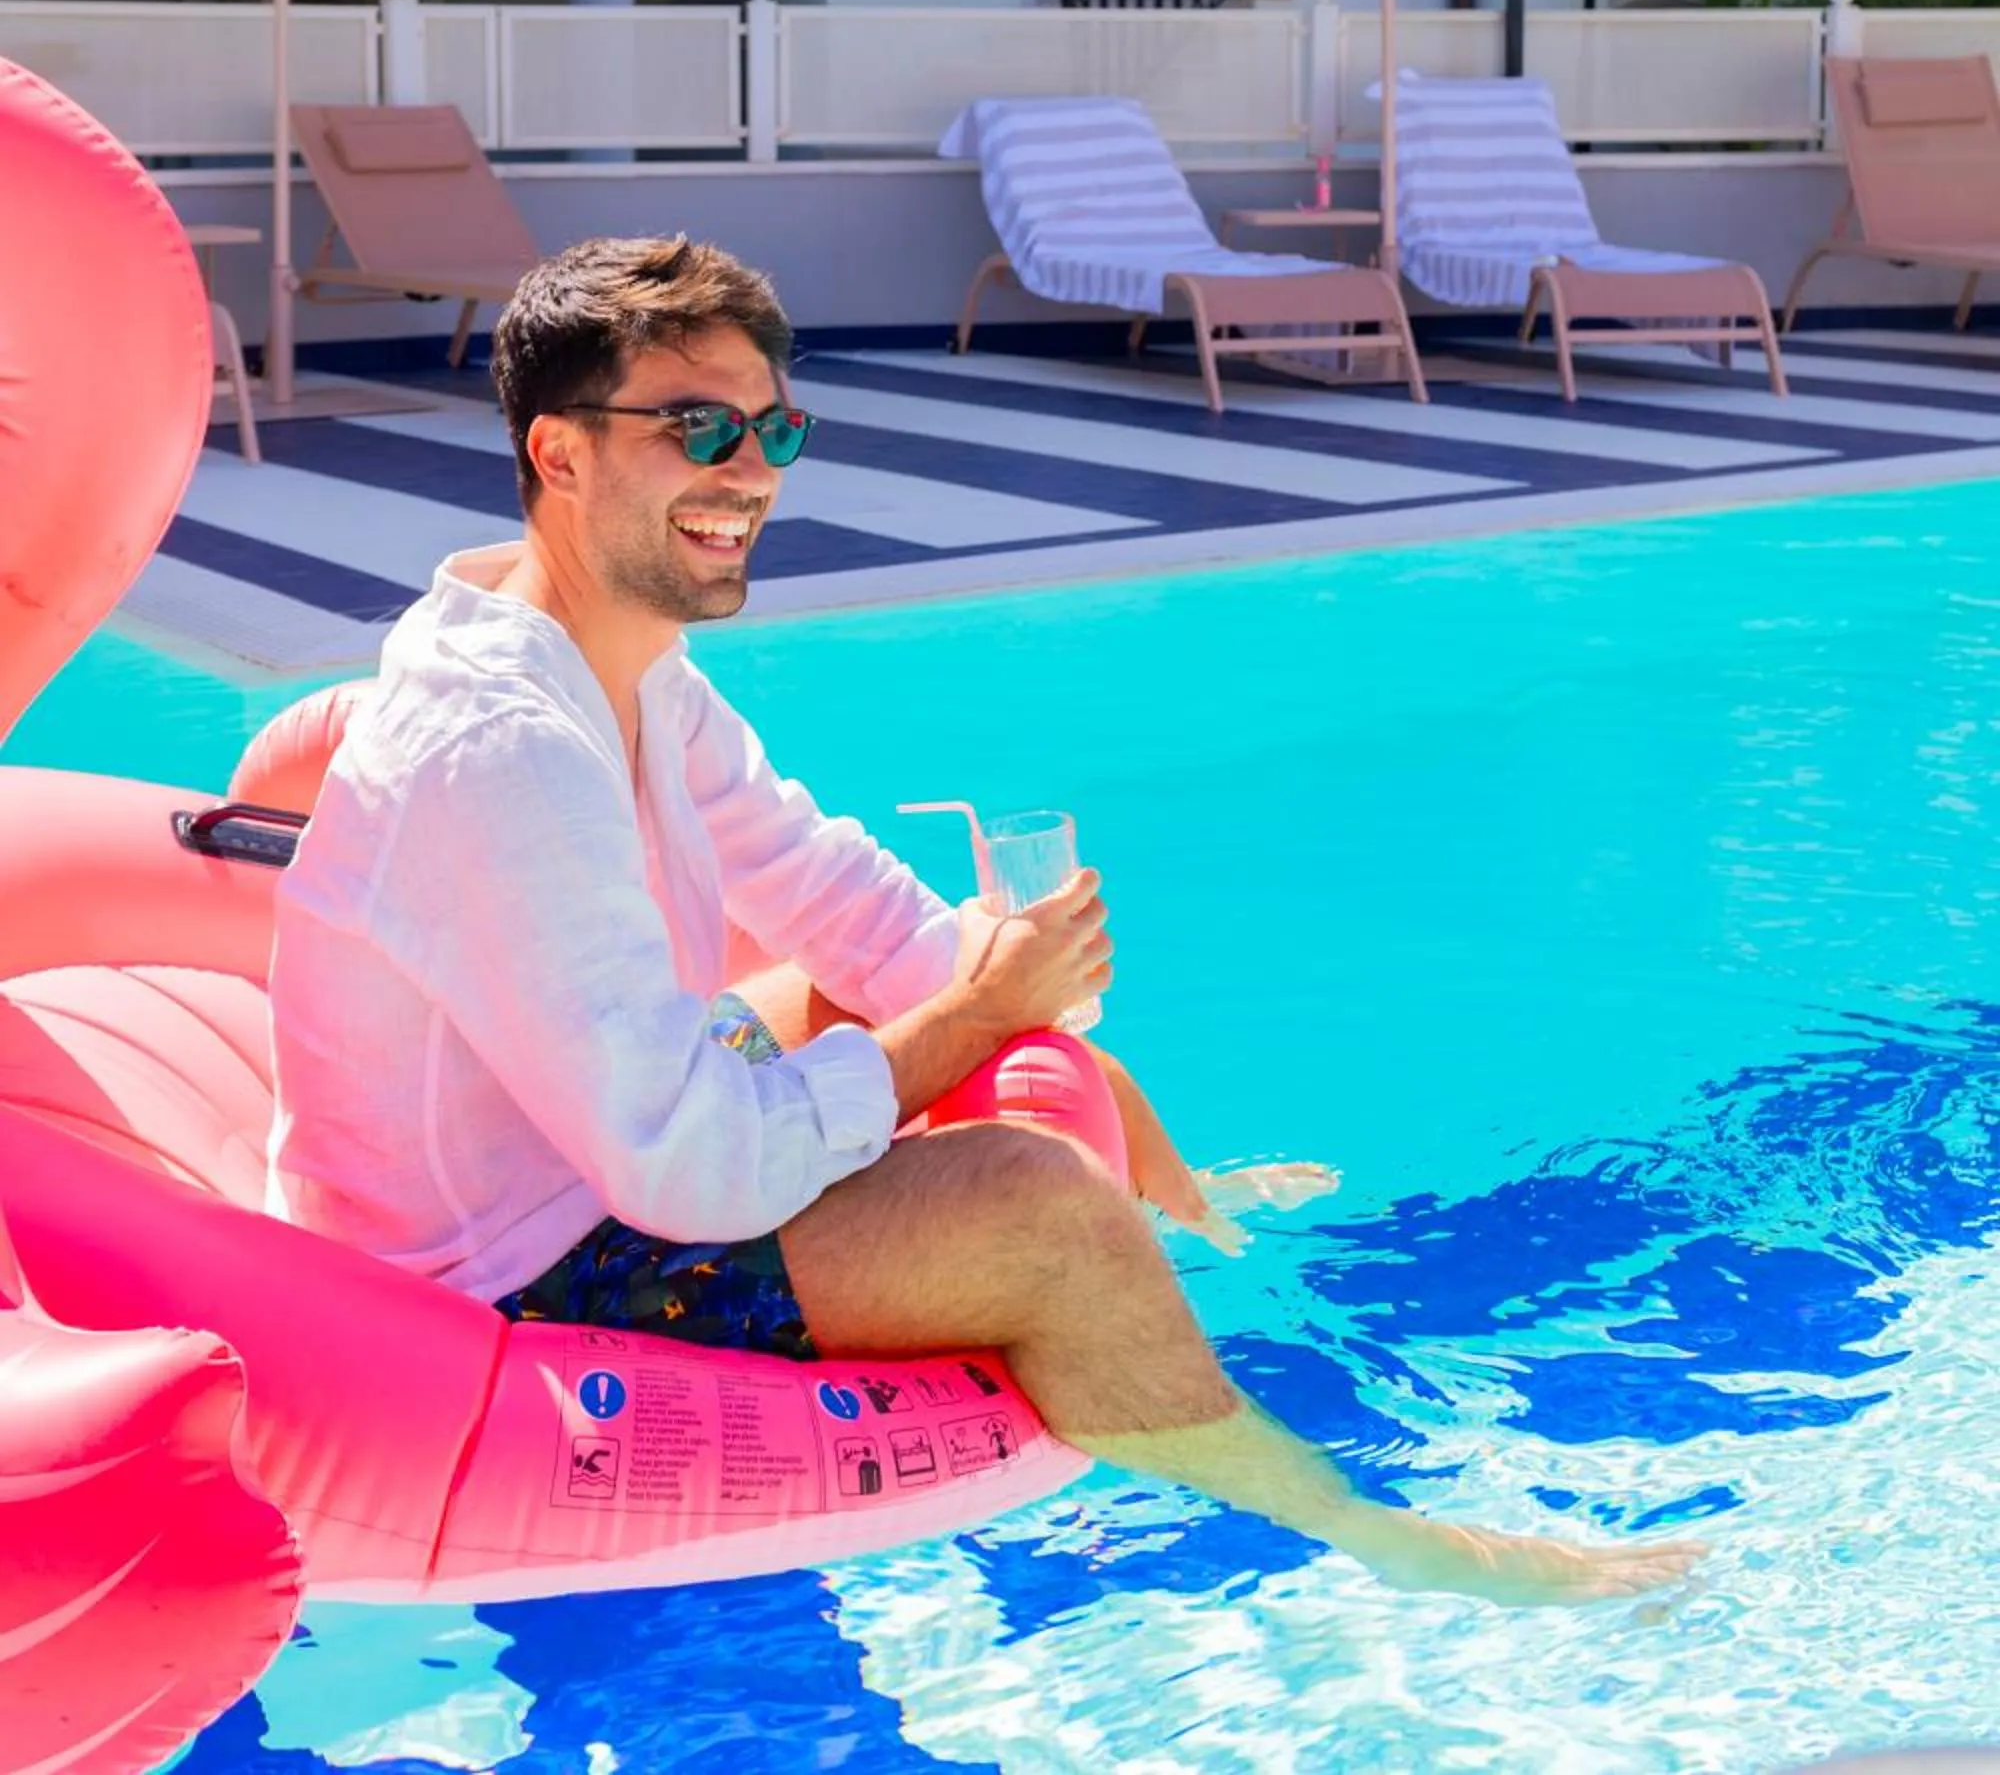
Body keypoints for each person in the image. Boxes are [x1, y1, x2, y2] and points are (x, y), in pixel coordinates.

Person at [269, 236, 1697, 1607]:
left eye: (776, 430)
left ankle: (1188, 1209)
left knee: (864, 991)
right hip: (505, 1267)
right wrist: (978, 1019)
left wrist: (1011, 979)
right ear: (559, 454)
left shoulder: (620, 668)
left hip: (570, 1143)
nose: (749, 472)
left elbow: (819, 882)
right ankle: (1366, 1533)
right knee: (1042, 1213)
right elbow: (687, 1173)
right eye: (695, 427)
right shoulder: (502, 748)